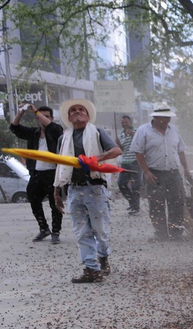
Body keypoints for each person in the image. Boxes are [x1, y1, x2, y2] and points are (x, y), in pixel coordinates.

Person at [52, 98, 122, 283]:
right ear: (69, 117)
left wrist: (95, 159)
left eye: (81, 109)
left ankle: (103, 257)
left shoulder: (97, 132)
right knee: (82, 231)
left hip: (95, 188)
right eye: (73, 110)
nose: (77, 112)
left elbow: (116, 151)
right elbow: (60, 164)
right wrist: (57, 190)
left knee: (100, 231)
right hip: (74, 189)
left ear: (88, 115)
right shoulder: (63, 138)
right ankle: (91, 268)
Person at [130, 102, 193, 241]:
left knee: (177, 202)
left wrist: (186, 168)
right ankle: (161, 233)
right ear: (157, 117)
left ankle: (176, 232)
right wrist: (146, 172)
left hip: (173, 172)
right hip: (154, 173)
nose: (168, 121)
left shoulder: (174, 130)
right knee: (156, 204)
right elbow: (138, 152)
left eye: (169, 118)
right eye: (165, 118)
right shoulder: (144, 130)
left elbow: (180, 150)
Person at [10, 104, 64, 243]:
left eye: (46, 117)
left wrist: (35, 110)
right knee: (33, 199)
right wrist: (20, 112)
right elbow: (15, 128)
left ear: (51, 118)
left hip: (53, 172)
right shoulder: (34, 133)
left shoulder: (56, 130)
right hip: (37, 173)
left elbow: (52, 127)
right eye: (40, 116)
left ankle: (56, 231)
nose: (42, 119)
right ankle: (43, 228)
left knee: (55, 203)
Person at [115, 115, 140, 214]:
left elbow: (140, 143)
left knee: (135, 185)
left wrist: (133, 135)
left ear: (130, 123)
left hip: (135, 161)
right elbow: (122, 150)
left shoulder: (137, 131)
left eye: (126, 122)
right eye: (123, 123)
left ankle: (136, 207)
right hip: (125, 162)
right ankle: (132, 203)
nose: (124, 124)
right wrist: (117, 144)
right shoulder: (120, 134)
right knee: (121, 184)